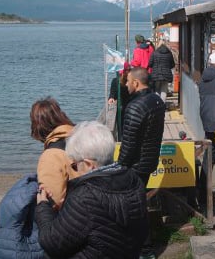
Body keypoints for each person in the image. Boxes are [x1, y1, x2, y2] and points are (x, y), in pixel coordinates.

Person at [36, 121, 148, 258]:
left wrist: (43, 207)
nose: (75, 169)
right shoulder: (134, 181)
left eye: (75, 165)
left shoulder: (84, 198)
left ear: (89, 164)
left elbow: (51, 243)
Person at [118, 67, 166, 180]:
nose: (126, 84)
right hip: (150, 162)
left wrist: (120, 166)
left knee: (133, 196)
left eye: (128, 81)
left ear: (135, 83)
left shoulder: (135, 107)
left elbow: (128, 144)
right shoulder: (157, 100)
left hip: (135, 166)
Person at [29, 97, 75, 210]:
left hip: (71, 216)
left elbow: (54, 200)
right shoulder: (79, 137)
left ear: (37, 126)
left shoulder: (51, 156)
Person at [108, 63, 131, 141]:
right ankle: (122, 140)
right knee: (123, 128)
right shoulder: (117, 81)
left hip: (125, 108)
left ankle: (122, 140)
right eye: (128, 70)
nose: (130, 71)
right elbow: (112, 94)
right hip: (123, 108)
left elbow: (112, 93)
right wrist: (111, 98)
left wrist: (111, 97)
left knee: (124, 128)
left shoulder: (130, 81)